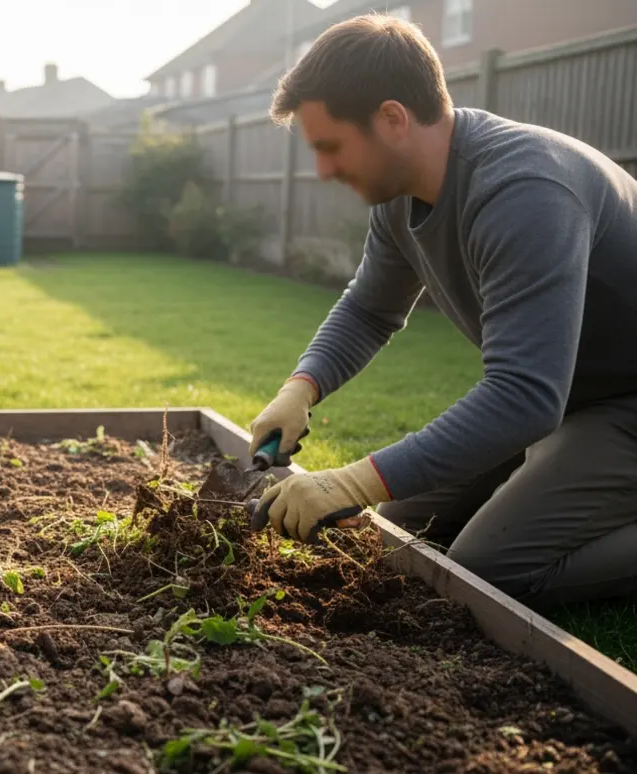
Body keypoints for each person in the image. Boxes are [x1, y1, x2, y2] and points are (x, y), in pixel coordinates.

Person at [246, 13, 637, 609]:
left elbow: (525, 396)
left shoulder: (525, 192)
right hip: (571, 399)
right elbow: (369, 309)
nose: (323, 171)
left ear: (392, 119)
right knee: (405, 533)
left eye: (330, 147)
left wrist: (350, 482)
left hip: (621, 403)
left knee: (489, 571)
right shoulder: (402, 197)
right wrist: (300, 388)